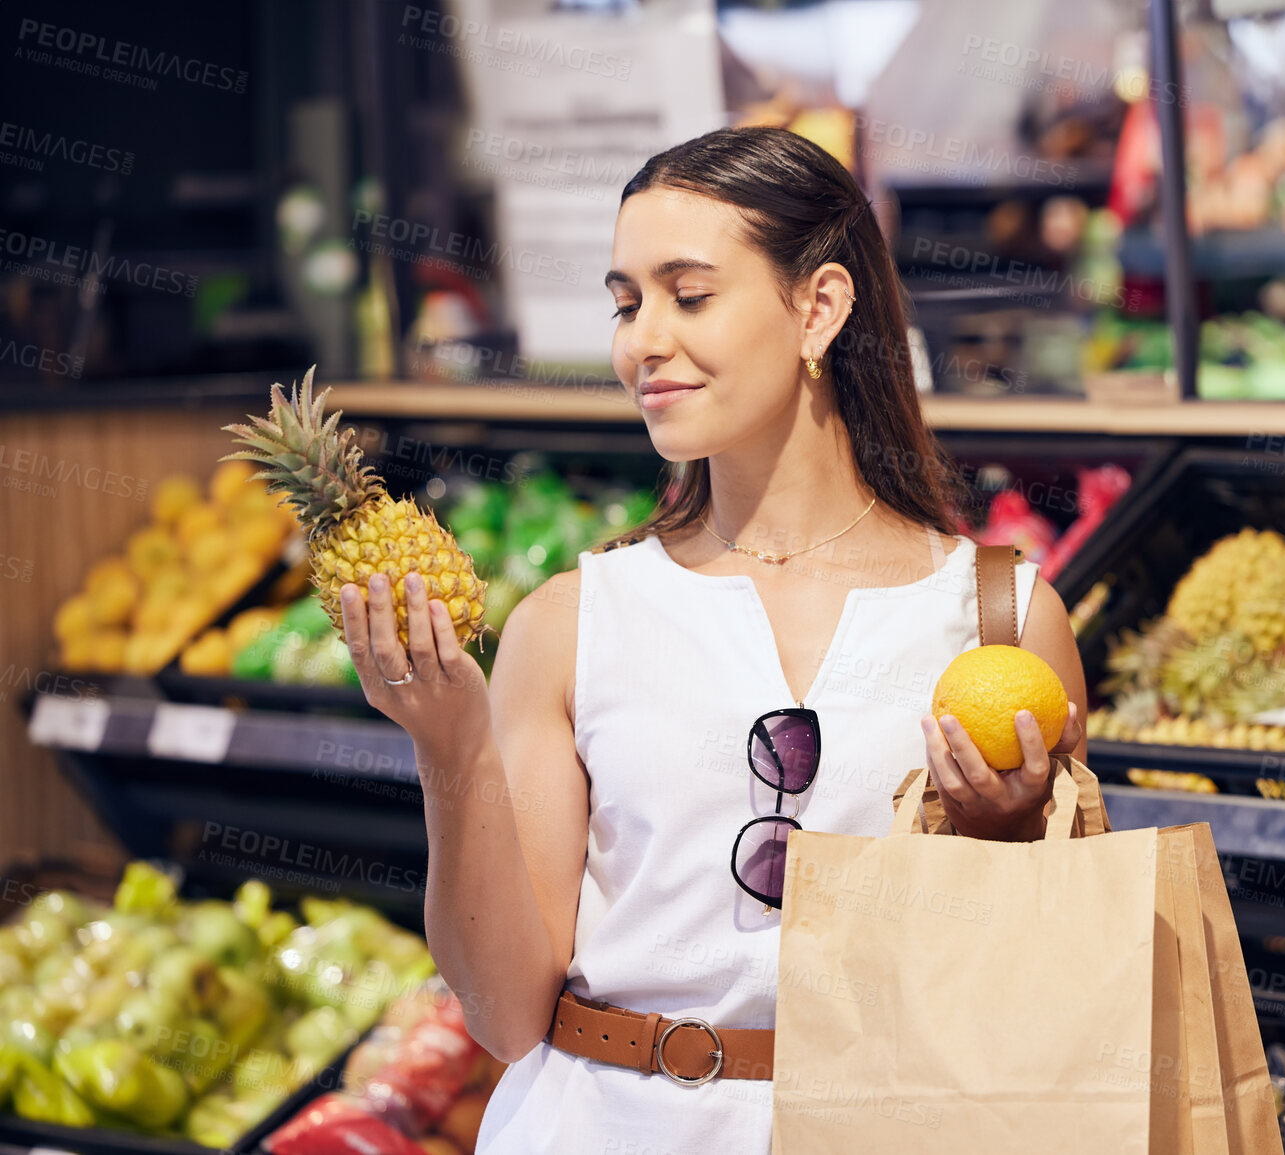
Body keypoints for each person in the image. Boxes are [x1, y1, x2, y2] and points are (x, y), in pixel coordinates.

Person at [338, 126, 1087, 1154]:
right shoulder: (570, 622)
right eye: (625, 302)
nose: (643, 339)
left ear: (818, 307)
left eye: (688, 296)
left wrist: (1002, 841)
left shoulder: (999, 620)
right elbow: (506, 1016)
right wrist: (450, 747)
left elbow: (1054, 992)